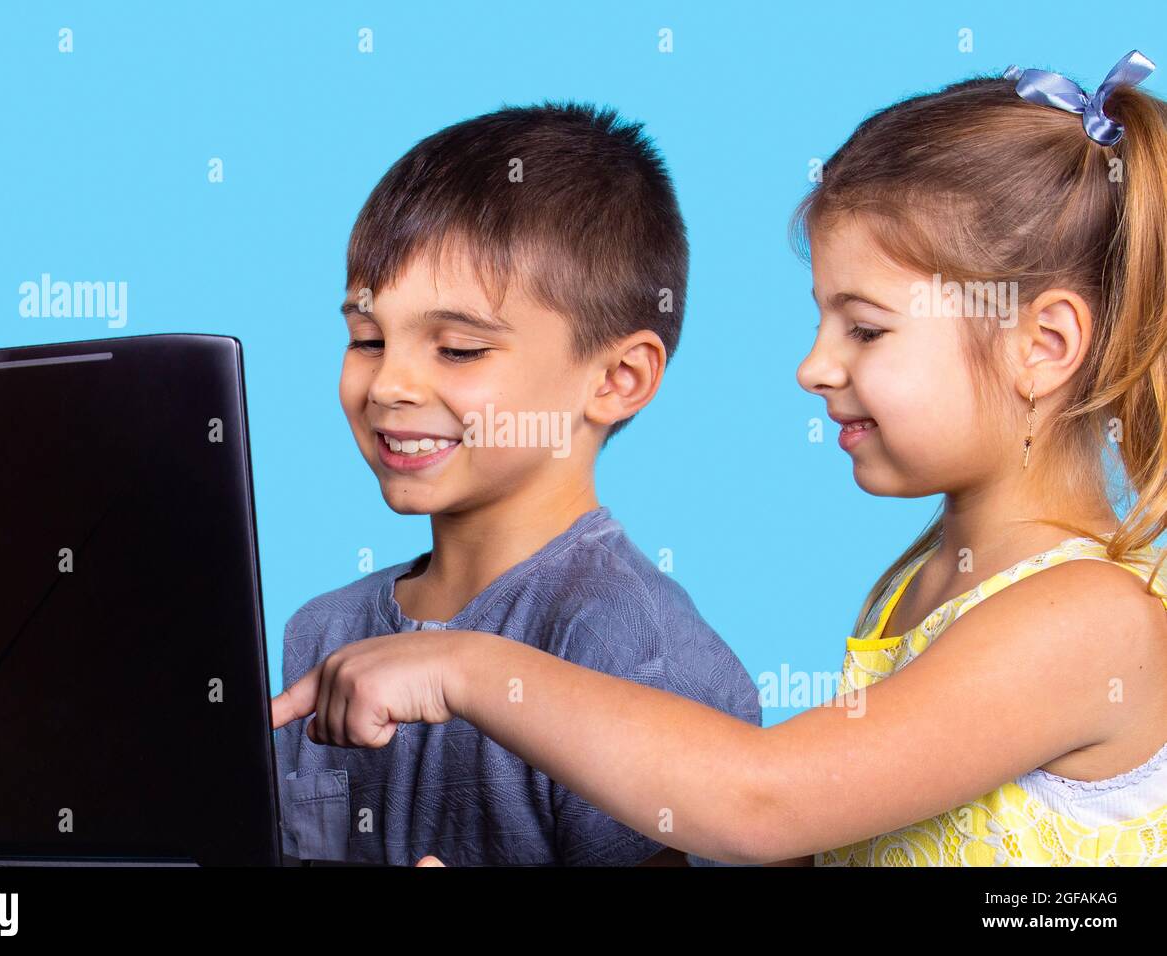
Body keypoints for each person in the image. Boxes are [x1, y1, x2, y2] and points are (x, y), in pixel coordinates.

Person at [275, 53, 1167, 866]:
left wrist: (466, 668)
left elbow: (761, 800)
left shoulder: (1090, 622)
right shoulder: (921, 591)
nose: (814, 366)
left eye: (866, 328)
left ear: (1043, 346)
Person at [275, 101, 761, 866]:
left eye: (460, 349)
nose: (389, 384)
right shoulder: (320, 634)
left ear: (617, 379)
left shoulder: (639, 657)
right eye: (367, 340)